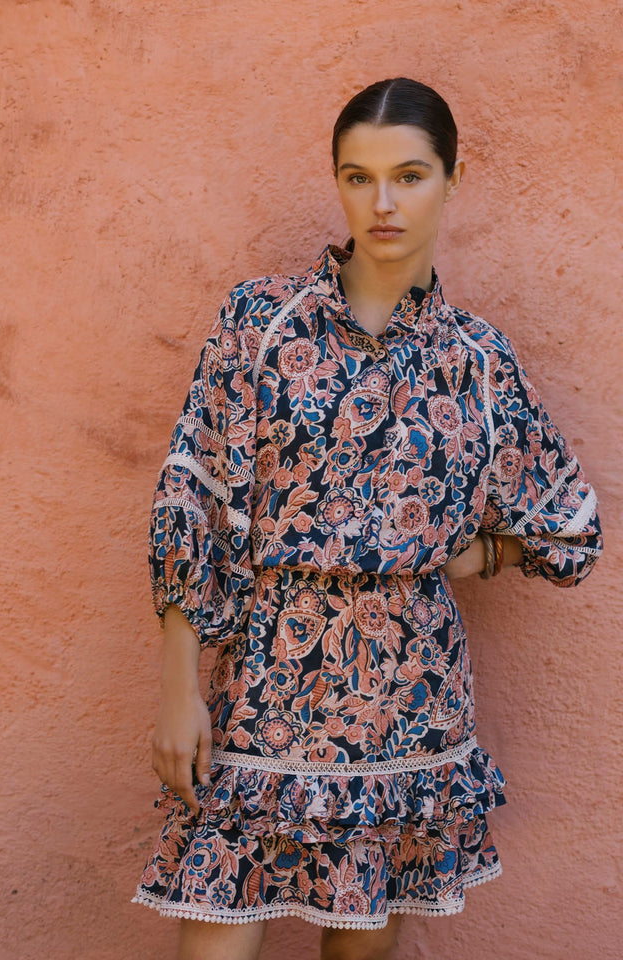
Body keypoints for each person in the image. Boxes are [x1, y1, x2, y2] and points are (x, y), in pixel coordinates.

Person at [132, 78, 603, 960]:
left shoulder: (478, 361)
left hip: (410, 695)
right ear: (339, 184)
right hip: (267, 678)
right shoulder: (260, 321)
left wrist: (484, 555)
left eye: (409, 176)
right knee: (215, 938)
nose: (383, 202)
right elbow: (192, 497)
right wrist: (177, 688)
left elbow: (572, 530)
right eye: (359, 177)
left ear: (452, 180)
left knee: (360, 948)